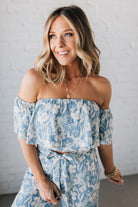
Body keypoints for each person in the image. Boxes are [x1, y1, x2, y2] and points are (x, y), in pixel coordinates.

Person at [12, 5, 123, 207]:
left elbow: (103, 138)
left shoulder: (101, 86)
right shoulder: (35, 79)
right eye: (52, 36)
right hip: (43, 171)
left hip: (84, 177)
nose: (59, 44)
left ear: (82, 36)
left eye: (68, 34)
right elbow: (23, 135)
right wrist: (41, 180)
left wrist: (110, 169)